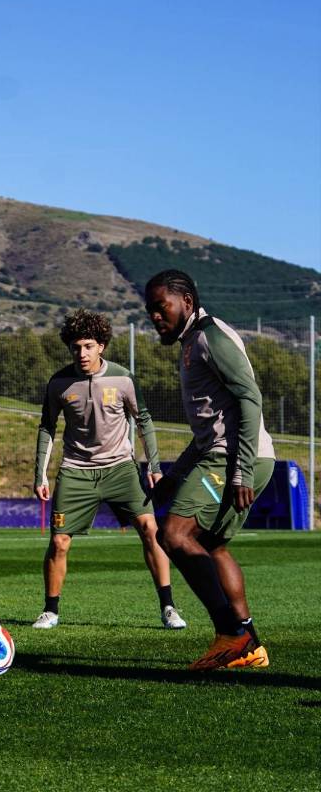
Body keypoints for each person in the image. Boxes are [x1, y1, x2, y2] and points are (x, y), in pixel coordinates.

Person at [144, 269, 274, 670]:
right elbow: (206, 430)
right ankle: (250, 643)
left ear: (185, 300)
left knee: (175, 534)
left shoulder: (209, 336)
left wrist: (240, 471)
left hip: (233, 458)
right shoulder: (190, 343)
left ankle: (230, 635)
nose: (154, 316)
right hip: (222, 455)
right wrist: (175, 476)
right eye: (149, 310)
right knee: (212, 546)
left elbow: (250, 400)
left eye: (160, 307)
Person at [32, 309, 186, 630]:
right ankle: (50, 611)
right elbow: (47, 427)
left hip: (120, 469)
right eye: (76, 347)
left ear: (101, 345)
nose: (82, 353)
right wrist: (40, 474)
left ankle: (169, 607)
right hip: (75, 471)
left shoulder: (123, 378)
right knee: (59, 543)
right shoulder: (59, 382)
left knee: (150, 529)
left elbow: (143, 420)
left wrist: (153, 466)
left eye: (88, 346)